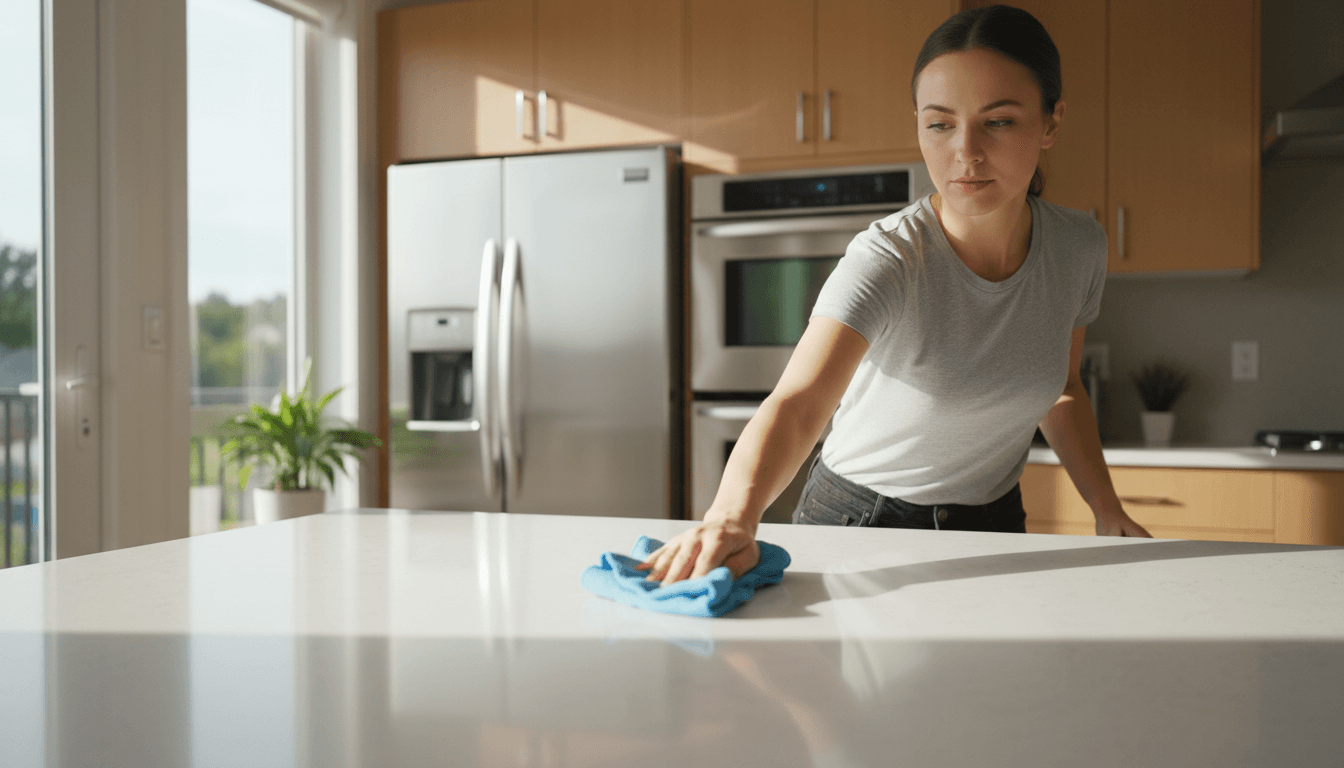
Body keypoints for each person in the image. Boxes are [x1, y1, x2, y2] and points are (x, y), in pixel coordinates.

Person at [638, 4, 1152, 588]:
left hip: (996, 519)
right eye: (940, 124)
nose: (966, 151)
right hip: (861, 518)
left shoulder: (1079, 247)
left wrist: (1107, 510)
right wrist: (729, 518)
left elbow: (1063, 388)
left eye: (999, 121)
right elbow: (800, 403)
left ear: (1051, 123)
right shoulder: (889, 258)